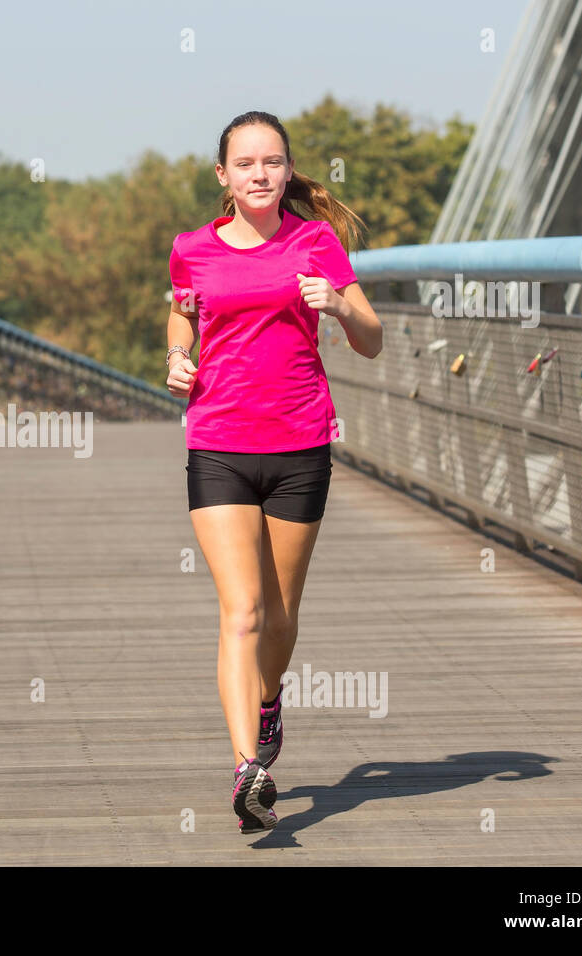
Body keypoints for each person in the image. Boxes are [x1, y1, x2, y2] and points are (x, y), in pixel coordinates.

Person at [165, 110, 383, 835]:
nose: (261, 174)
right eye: (246, 163)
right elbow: (183, 313)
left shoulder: (316, 242)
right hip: (220, 443)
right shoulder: (192, 249)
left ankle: (269, 698)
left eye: (273, 162)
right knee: (244, 610)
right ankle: (246, 769)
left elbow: (372, 341)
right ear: (222, 176)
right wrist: (176, 356)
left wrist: (340, 304)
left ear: (287, 172)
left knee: (281, 615)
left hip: (299, 445)